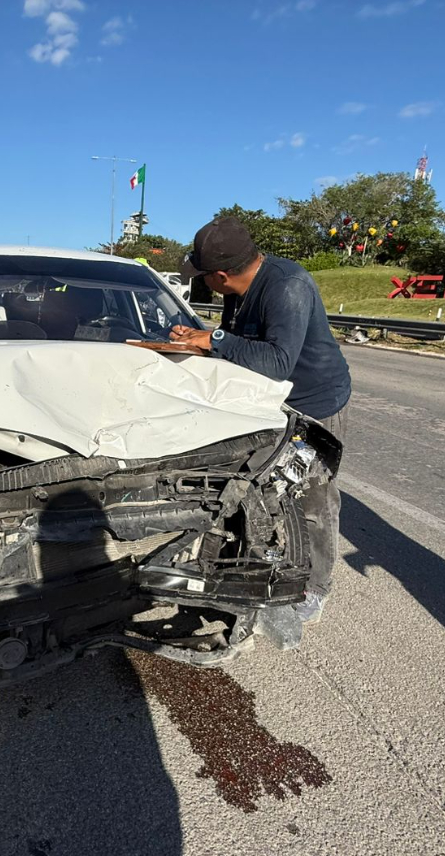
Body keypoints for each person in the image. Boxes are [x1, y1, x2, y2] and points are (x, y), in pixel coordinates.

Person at [171, 216, 351, 625]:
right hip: (269, 402)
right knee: (256, 487)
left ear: (220, 276)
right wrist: (201, 340)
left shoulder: (288, 285)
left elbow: (277, 361)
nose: (202, 283)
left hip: (313, 404)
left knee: (313, 498)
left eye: (201, 277)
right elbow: (245, 341)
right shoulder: (238, 288)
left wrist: (214, 341)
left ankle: (315, 588)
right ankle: (250, 561)